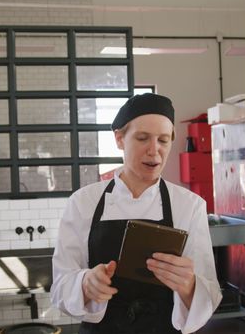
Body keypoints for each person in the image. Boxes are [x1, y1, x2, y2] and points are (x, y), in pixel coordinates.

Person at [50, 93, 222, 334]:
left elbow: (210, 290)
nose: (155, 151)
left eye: (164, 140)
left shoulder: (189, 206)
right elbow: (59, 286)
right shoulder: (83, 202)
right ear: (119, 139)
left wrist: (189, 286)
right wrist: (85, 283)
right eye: (143, 138)